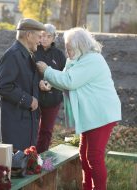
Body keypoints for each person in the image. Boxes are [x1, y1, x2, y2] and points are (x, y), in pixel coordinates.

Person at [36, 27, 121, 190]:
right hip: (90, 116)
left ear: (80, 45)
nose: (67, 52)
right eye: (66, 48)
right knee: (84, 153)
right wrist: (48, 82)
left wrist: (46, 71)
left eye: (69, 48)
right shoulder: (76, 59)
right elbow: (64, 80)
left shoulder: (92, 59)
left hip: (101, 115)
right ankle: (86, 186)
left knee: (94, 156)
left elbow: (70, 81)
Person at [0, 18, 45, 151]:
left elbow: (21, 82)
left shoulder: (26, 54)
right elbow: (2, 86)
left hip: (23, 123)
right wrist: (28, 100)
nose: (40, 40)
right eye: (39, 36)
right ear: (28, 35)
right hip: (14, 126)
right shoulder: (13, 55)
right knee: (14, 167)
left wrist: (39, 83)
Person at [34, 24, 66, 153]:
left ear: (53, 38)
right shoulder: (33, 51)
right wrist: (38, 82)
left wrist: (52, 83)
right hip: (35, 98)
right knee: (32, 129)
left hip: (53, 99)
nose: (45, 39)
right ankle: (29, 157)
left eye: (49, 36)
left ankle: (41, 157)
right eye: (42, 36)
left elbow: (65, 76)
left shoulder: (59, 55)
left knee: (46, 130)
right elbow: (27, 73)